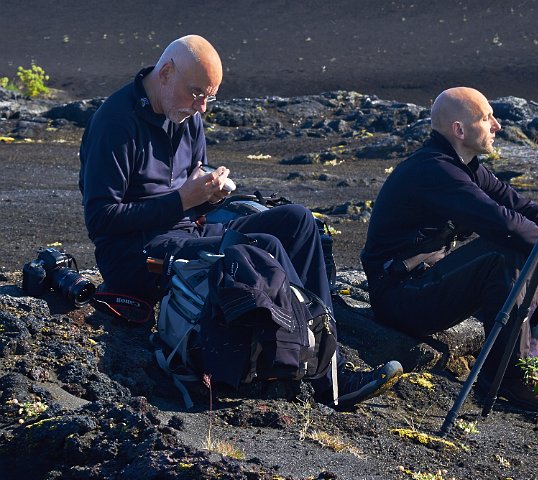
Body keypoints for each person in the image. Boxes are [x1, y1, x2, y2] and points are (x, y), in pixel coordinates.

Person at [78, 35, 401, 409]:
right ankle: (328, 373)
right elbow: (101, 221)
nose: (201, 108)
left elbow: (190, 201)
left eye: (209, 98)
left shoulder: (187, 117)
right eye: (196, 93)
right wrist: (184, 199)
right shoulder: (115, 123)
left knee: (296, 221)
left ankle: (323, 354)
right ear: (165, 73)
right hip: (137, 257)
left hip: (188, 234)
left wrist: (209, 197)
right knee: (263, 249)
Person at [361, 87, 538, 411]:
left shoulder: (466, 165)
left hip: (423, 282)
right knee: (504, 252)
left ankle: (520, 369)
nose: (497, 126)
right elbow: (502, 222)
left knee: (522, 246)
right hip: (399, 296)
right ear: (459, 130)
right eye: (486, 118)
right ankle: (508, 380)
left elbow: (518, 205)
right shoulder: (434, 170)